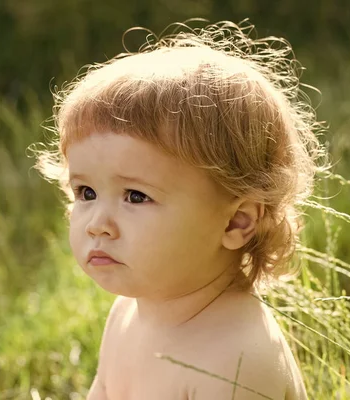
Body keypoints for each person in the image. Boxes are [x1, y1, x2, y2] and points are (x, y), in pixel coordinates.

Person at [34, 19, 325, 400]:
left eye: (136, 196)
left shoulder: (235, 357)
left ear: (237, 220)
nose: (97, 225)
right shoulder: (126, 315)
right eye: (86, 192)